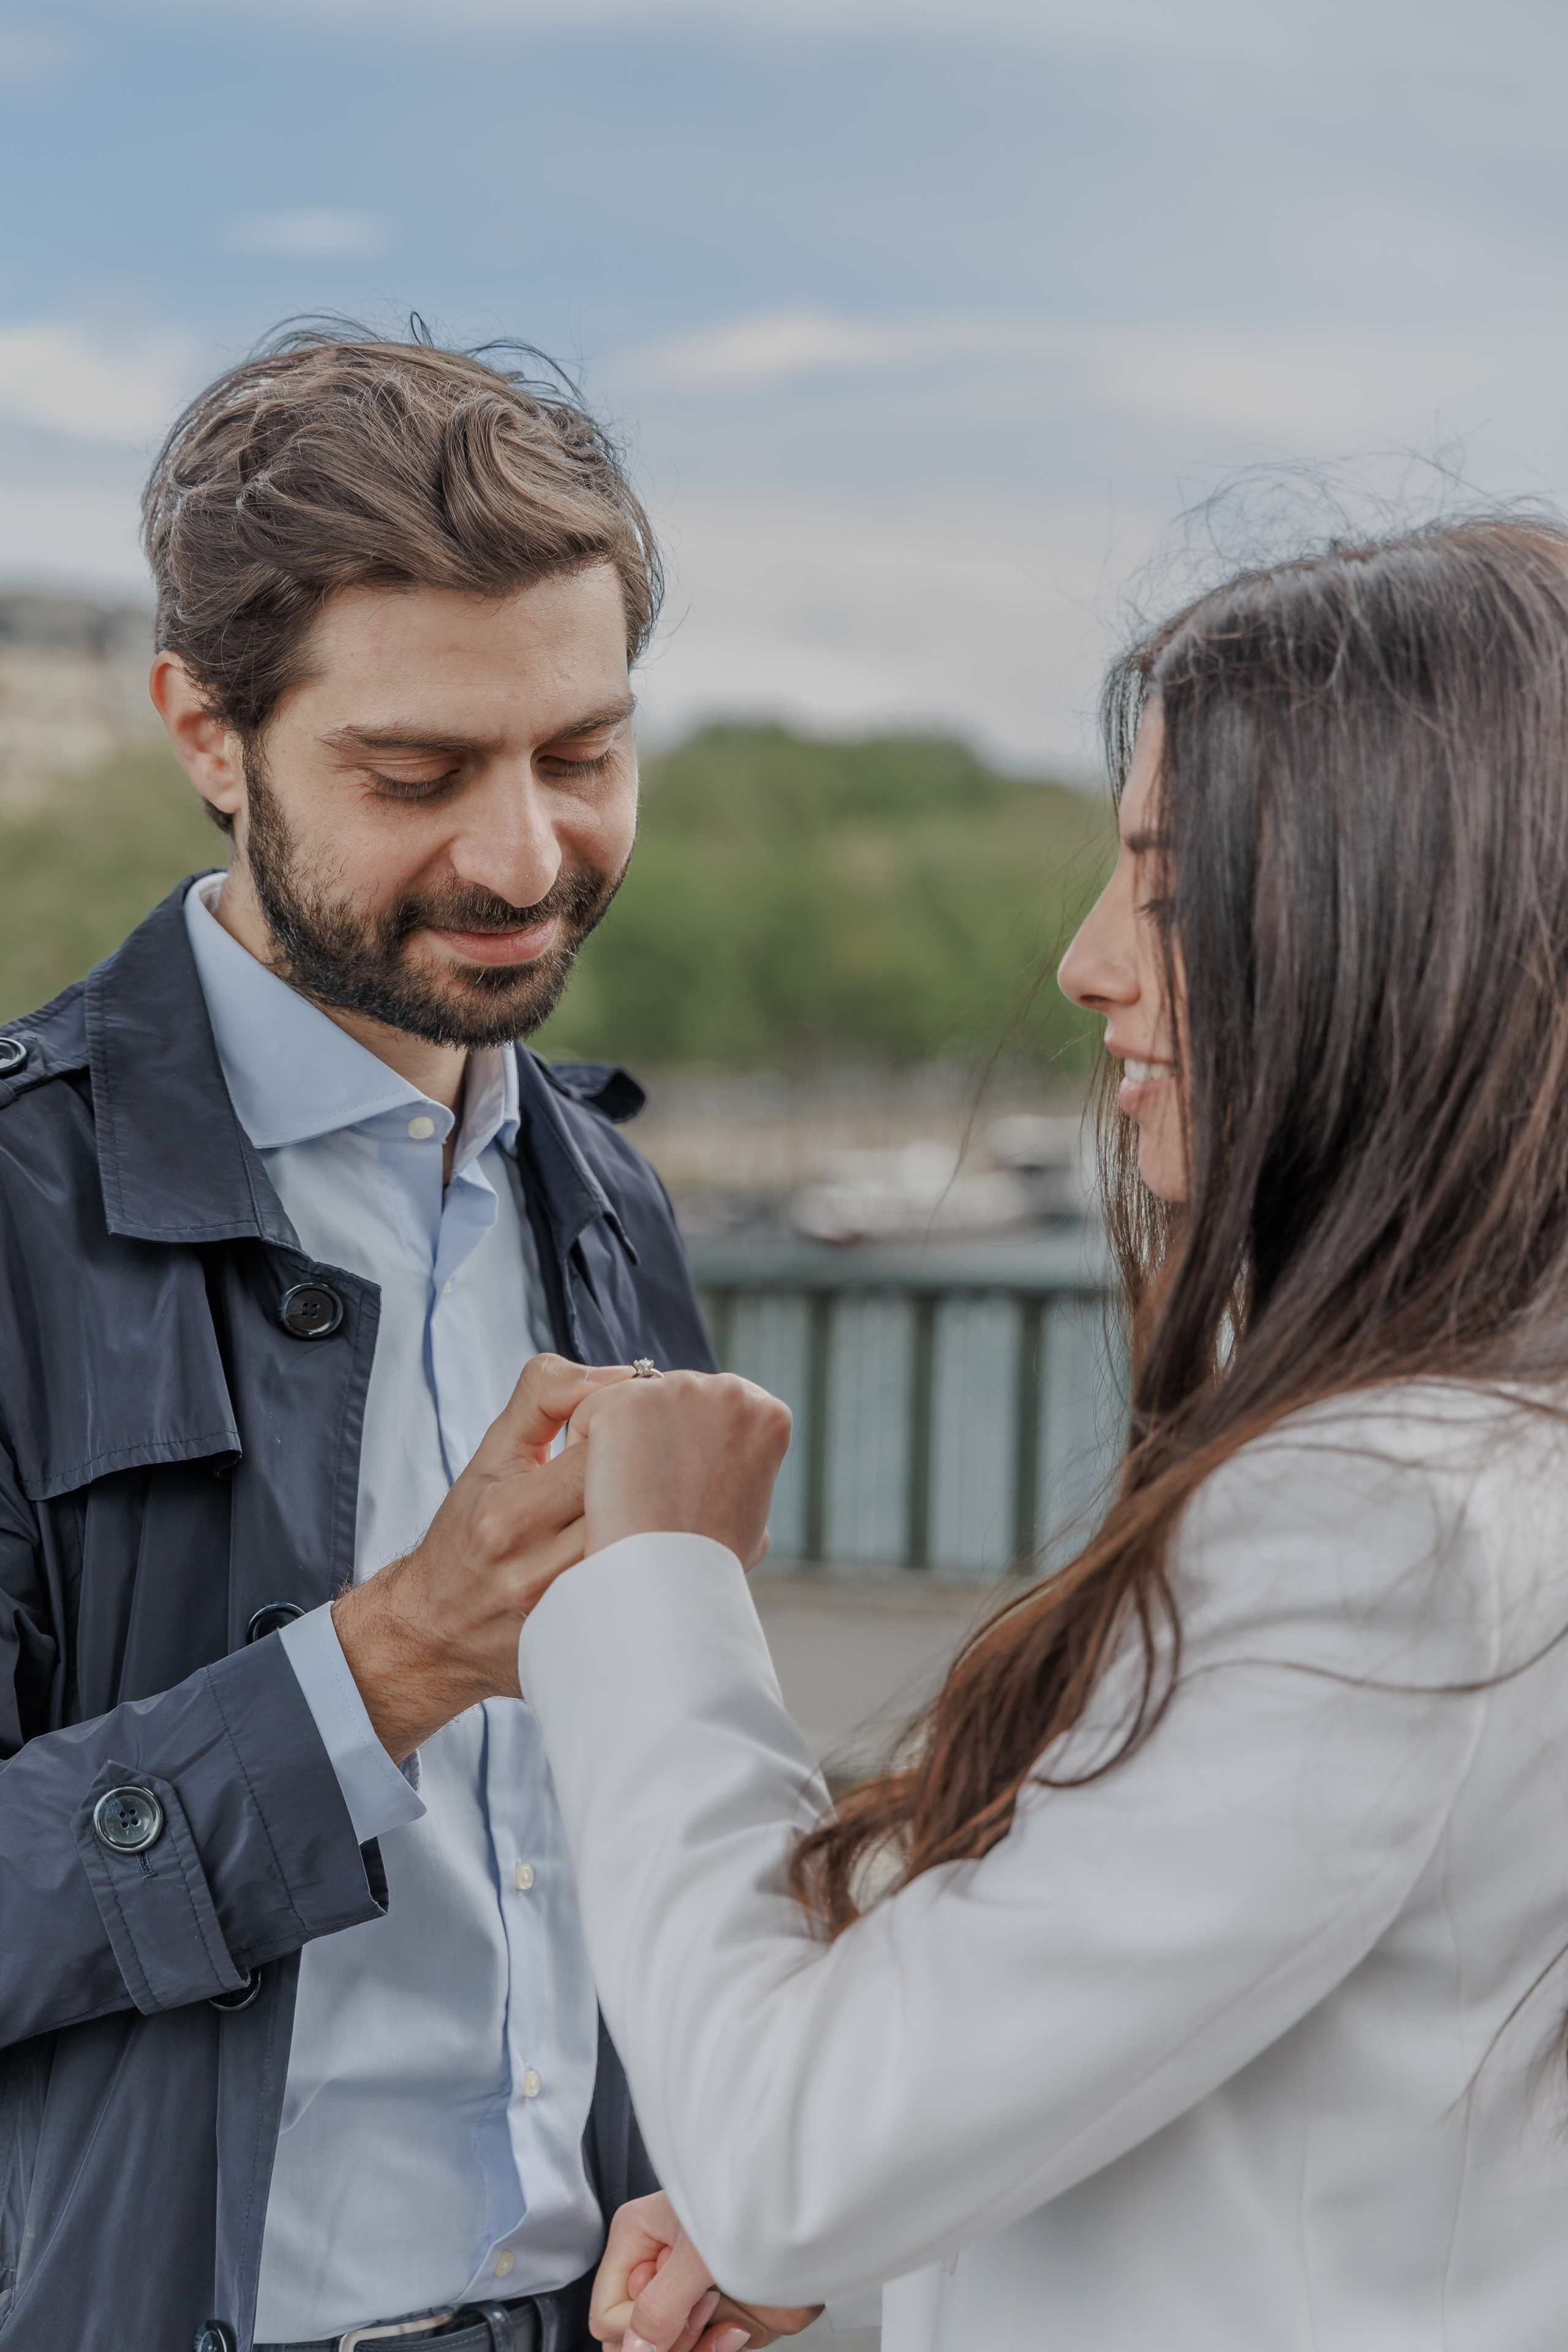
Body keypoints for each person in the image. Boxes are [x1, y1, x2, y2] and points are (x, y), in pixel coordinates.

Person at [517, 519, 1568, 2351]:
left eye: (1161, 890)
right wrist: (902, 2221)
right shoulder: (1500, 1456)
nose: (1086, 963)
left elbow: (788, 2152)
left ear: (1386, 924)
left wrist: (661, 1582)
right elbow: (1308, 2089)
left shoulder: (1381, 1527)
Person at [0, 323, 796, 2352]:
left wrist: (708, 2174)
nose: (528, 858)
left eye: (585, 755)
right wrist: (382, 1668)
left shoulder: (607, 1199)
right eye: (417, 774)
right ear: (206, 730)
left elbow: (624, 1834)